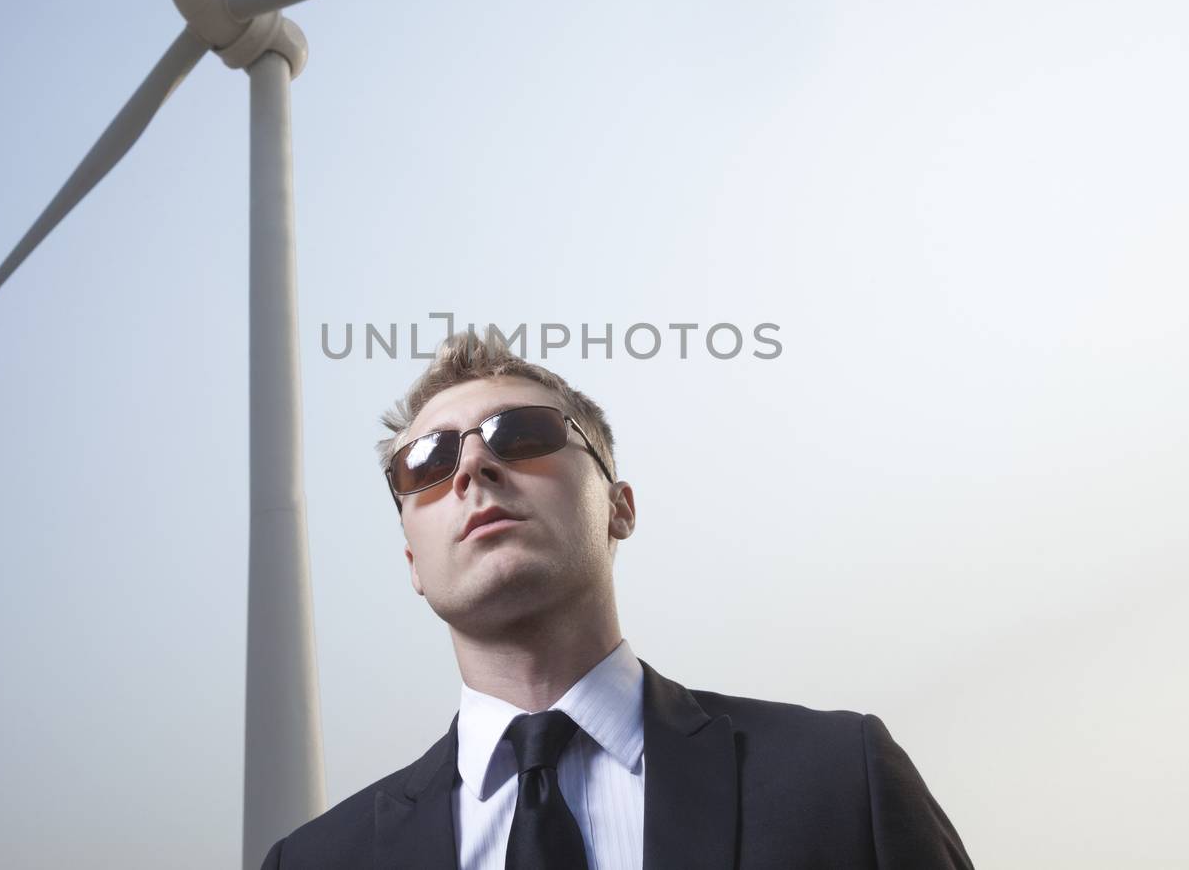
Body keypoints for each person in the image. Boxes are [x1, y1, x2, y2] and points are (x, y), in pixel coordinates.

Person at [261, 332, 973, 869]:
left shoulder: (843, 778)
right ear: (412, 560)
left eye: (522, 433)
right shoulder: (314, 861)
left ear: (619, 506)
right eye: (428, 462)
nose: (473, 464)